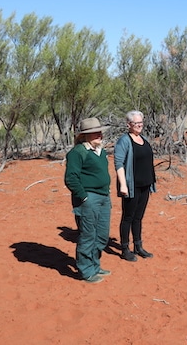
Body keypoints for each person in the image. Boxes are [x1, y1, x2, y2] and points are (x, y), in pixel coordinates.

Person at [64, 117, 112, 283]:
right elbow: (71, 178)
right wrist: (83, 196)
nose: (99, 134)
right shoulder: (78, 152)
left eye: (99, 131)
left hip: (104, 197)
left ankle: (94, 265)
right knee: (88, 235)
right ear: (84, 136)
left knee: (102, 235)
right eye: (94, 133)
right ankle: (86, 271)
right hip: (88, 199)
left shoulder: (100, 151)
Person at [114, 110, 157, 262]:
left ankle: (138, 246)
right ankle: (125, 248)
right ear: (128, 125)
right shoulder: (124, 141)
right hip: (131, 186)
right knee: (128, 217)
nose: (139, 125)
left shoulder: (143, 139)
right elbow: (118, 163)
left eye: (141, 123)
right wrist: (123, 185)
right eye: (136, 123)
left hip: (145, 185)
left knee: (138, 217)